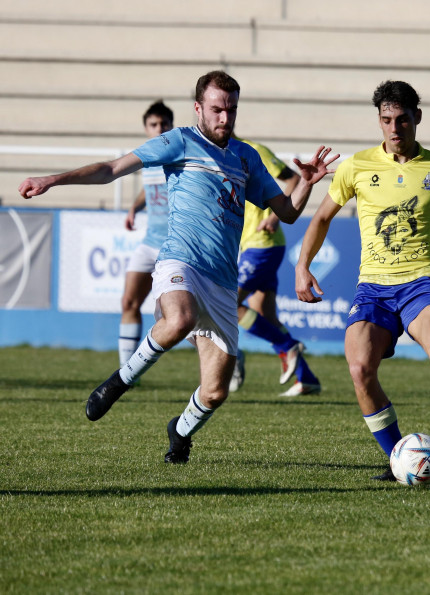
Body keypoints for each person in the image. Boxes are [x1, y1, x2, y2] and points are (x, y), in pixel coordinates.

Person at [18, 70, 337, 464]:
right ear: (199, 108)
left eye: (232, 110)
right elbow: (111, 169)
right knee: (179, 319)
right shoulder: (180, 140)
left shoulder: (246, 157)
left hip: (222, 281)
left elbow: (287, 213)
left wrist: (305, 183)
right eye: (218, 109)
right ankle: (119, 381)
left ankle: (180, 430)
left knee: (216, 392)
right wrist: (53, 179)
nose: (225, 118)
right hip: (180, 259)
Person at [295, 80, 430, 482]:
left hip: (421, 283)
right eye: (386, 120)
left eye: (402, 119)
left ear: (417, 118)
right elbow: (320, 219)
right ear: (379, 121)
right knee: (359, 368)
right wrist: (302, 265)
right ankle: (397, 458)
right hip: (373, 287)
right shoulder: (356, 167)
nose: (394, 128)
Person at [230, 135, 321, 397]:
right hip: (252, 245)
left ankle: (286, 345)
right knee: (266, 314)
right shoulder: (219, 156)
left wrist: (273, 217)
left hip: (263, 244)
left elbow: (292, 180)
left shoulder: (254, 150)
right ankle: (306, 378)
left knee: (226, 303)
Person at [119, 100, 174, 375]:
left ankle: (225, 360)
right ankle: (127, 372)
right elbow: (148, 189)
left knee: (178, 319)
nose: (159, 128)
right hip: (149, 242)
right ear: (146, 128)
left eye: (164, 124)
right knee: (129, 302)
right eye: (154, 124)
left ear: (172, 126)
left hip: (175, 248)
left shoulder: (178, 157)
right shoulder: (146, 159)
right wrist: (134, 207)